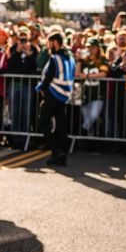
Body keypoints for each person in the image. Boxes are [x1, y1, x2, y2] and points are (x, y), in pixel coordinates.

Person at [37, 32, 76, 165]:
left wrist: (42, 88)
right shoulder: (69, 57)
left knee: (43, 122)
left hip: (54, 93)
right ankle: (61, 155)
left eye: (49, 42)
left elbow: (48, 77)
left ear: (55, 42)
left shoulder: (55, 58)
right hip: (65, 95)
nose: (48, 45)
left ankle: (56, 150)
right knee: (60, 125)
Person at [5, 28, 40, 138]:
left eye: (25, 37)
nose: (23, 40)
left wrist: (30, 56)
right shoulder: (13, 49)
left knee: (26, 113)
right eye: (21, 37)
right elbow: (10, 66)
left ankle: (25, 138)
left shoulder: (33, 49)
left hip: (27, 85)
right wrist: (17, 52)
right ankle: (15, 138)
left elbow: (35, 67)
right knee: (14, 113)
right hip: (14, 85)